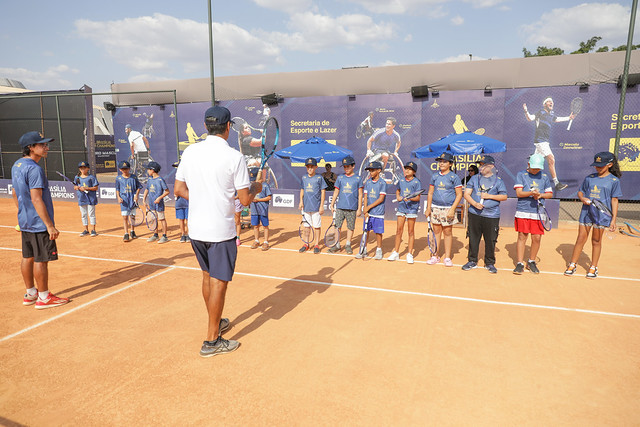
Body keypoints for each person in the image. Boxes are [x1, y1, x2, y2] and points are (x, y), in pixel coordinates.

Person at [174, 105, 262, 358]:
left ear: (205, 126)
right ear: (227, 128)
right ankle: (212, 340)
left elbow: (179, 189)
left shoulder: (190, 151)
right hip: (220, 232)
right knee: (219, 283)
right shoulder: (235, 157)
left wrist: (202, 200)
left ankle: (216, 321)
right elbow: (244, 201)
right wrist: (256, 185)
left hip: (197, 229)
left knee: (206, 276)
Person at [11, 131, 69, 309]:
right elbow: (37, 199)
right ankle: (44, 297)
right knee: (40, 259)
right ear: (30, 147)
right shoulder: (35, 169)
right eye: (42, 145)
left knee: (27, 256)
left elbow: (15, 193)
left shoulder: (17, 165)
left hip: (25, 221)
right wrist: (49, 226)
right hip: (38, 223)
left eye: (46, 144)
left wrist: (22, 213)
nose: (46, 148)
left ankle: (31, 294)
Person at [564, 152, 622, 279]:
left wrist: (613, 220)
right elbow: (580, 192)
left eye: (600, 166)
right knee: (580, 239)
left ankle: (593, 267)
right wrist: (582, 198)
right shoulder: (589, 178)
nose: (597, 168)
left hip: (602, 216)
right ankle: (572, 264)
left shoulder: (614, 181)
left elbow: (614, 200)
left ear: (610, 165)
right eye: (596, 165)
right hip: (586, 213)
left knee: (596, 241)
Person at [461, 156, 508, 273]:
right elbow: (466, 194)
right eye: (480, 164)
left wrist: (489, 196)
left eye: (483, 164)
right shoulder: (474, 179)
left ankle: (489, 262)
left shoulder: (499, 181)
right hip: (474, 214)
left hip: (491, 216)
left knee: (491, 239)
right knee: (473, 238)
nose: (480, 167)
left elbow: (504, 196)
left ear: (491, 166)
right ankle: (472, 261)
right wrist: (475, 204)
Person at [513, 153, 553, 275]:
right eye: (533, 168)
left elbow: (549, 194)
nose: (535, 171)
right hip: (523, 210)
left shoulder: (545, 177)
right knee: (522, 236)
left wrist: (540, 195)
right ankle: (520, 263)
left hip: (538, 212)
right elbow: (519, 193)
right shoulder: (521, 175)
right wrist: (531, 193)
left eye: (538, 169)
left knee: (536, 237)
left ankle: (531, 261)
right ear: (529, 164)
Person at [523, 98, 575, 191]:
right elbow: (530, 118)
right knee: (551, 159)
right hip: (540, 141)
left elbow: (557, 119)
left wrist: (568, 118)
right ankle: (557, 183)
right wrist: (526, 111)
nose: (551, 102)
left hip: (544, 141)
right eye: (548, 101)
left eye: (552, 102)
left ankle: (525, 181)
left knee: (534, 163)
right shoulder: (540, 112)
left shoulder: (551, 114)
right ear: (544, 104)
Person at [425, 152, 463, 267]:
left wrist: (452, 209)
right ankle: (435, 255)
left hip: (448, 209)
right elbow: (430, 193)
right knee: (436, 231)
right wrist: (428, 208)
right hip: (435, 207)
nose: (441, 163)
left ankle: (447, 257)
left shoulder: (454, 177)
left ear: (450, 164)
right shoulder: (435, 176)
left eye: (444, 162)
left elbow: (459, 195)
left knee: (447, 232)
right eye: (440, 162)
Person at [388, 161, 421, 264]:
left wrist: (410, 199)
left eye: (409, 169)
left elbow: (418, 197)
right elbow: (398, 190)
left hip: (412, 209)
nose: (406, 170)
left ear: (414, 172)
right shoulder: (401, 180)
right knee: (399, 230)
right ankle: (396, 252)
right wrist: (398, 197)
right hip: (402, 208)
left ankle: (410, 254)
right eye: (406, 168)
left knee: (410, 231)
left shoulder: (416, 182)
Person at [328, 156, 362, 254]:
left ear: (353, 166)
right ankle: (337, 245)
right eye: (344, 167)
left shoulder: (357, 178)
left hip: (352, 208)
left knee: (350, 227)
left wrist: (359, 208)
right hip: (340, 207)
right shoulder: (340, 178)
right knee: (337, 226)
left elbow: (360, 195)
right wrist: (332, 204)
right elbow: (336, 192)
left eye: (348, 166)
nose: (346, 168)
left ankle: (348, 244)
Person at [356, 161, 387, 260]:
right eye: (369, 170)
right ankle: (363, 250)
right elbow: (365, 196)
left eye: (372, 170)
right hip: (368, 212)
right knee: (366, 231)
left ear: (379, 170)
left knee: (378, 232)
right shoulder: (368, 182)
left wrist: (368, 207)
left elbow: (381, 199)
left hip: (378, 212)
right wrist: (365, 209)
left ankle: (379, 250)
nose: (370, 172)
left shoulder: (383, 183)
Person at [298, 157, 327, 254]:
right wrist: (300, 202)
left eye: (311, 167)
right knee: (306, 226)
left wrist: (321, 205)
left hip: (316, 207)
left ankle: (316, 244)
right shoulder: (304, 178)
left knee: (317, 226)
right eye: (308, 167)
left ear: (316, 167)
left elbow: (323, 191)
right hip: (306, 207)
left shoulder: (319, 178)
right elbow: (302, 189)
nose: (309, 169)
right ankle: (306, 243)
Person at [143, 161, 170, 244]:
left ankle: (164, 236)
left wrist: (159, 198)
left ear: (153, 170)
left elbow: (167, 191)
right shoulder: (150, 179)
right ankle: (155, 234)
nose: (147, 171)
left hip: (159, 204)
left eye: (148, 169)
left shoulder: (160, 180)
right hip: (151, 204)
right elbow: (147, 189)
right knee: (154, 219)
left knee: (161, 219)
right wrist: (144, 200)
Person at [115, 160, 142, 242]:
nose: (124, 171)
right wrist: (118, 197)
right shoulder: (118, 178)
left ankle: (132, 231)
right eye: (122, 169)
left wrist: (136, 195)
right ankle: (126, 233)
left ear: (129, 169)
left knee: (132, 216)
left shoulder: (133, 177)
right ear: (120, 170)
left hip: (132, 199)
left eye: (126, 169)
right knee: (125, 217)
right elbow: (117, 189)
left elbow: (139, 187)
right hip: (124, 200)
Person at [249, 167, 272, 251]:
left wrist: (258, 200)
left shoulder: (265, 185)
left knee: (265, 226)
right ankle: (256, 240)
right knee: (256, 226)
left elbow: (269, 197)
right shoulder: (252, 186)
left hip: (263, 209)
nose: (253, 181)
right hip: (254, 210)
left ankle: (266, 242)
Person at [74, 161, 99, 237]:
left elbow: (96, 187)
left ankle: (93, 230)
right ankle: (86, 230)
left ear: (88, 169)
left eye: (84, 168)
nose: (82, 170)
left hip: (90, 198)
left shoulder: (91, 177)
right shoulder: (77, 177)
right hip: (81, 198)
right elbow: (75, 186)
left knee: (91, 214)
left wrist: (86, 188)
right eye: (81, 168)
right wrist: (77, 187)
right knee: (83, 214)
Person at [173, 161, 190, 243]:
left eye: (177, 167)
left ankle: (189, 234)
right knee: (181, 219)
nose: (176, 169)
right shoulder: (176, 178)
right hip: (179, 202)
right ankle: (183, 235)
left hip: (187, 202)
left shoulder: (188, 177)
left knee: (188, 219)